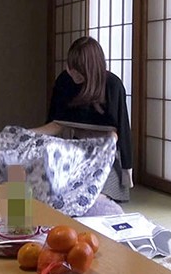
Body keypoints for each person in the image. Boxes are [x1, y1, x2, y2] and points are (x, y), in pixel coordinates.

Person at [31, 36, 133, 202]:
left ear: (91, 68)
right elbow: (56, 124)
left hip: (105, 155)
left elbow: (117, 132)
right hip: (76, 151)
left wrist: (108, 154)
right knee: (43, 183)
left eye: (77, 69)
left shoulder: (113, 85)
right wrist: (26, 134)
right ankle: (17, 213)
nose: (71, 72)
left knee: (91, 199)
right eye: (70, 66)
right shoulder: (65, 81)